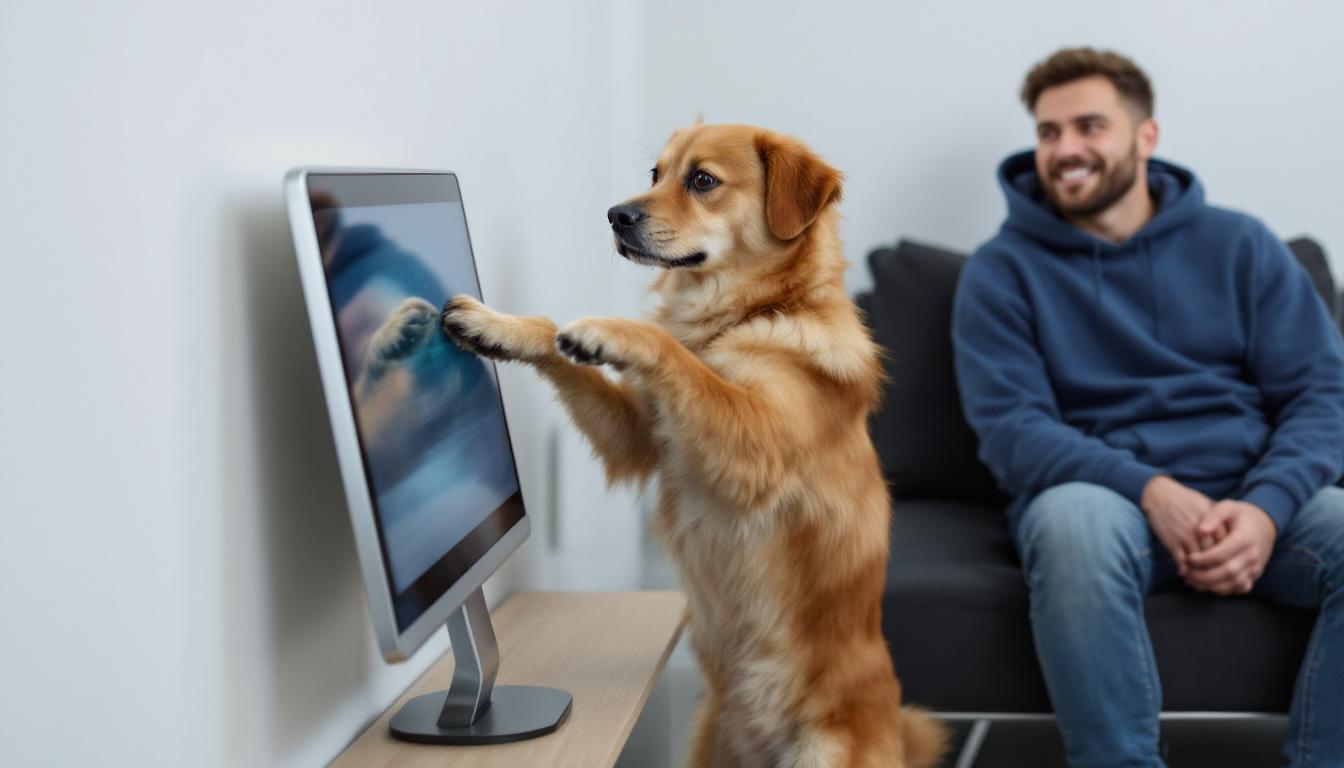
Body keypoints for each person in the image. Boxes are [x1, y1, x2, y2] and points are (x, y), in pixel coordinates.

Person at [952, 47, 1344, 767]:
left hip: (1248, 490)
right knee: (1073, 525)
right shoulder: (1000, 271)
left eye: (1089, 126)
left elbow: (1323, 395)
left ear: (1145, 136)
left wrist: (1266, 508)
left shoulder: (1242, 244)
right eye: (1048, 132)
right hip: (1102, 502)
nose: (1064, 149)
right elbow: (1012, 431)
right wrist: (1152, 490)